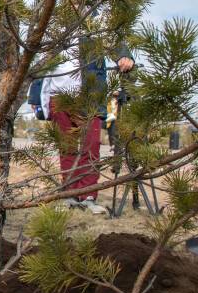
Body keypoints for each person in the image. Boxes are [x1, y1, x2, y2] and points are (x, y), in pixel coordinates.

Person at [41, 45, 134, 215]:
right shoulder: (52, 22)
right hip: (57, 95)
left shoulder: (94, 19)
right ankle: (68, 195)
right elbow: (41, 61)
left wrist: (123, 56)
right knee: (66, 147)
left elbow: (113, 38)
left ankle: (88, 196)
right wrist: (34, 97)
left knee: (91, 146)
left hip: (89, 96)